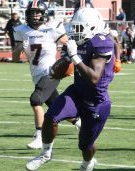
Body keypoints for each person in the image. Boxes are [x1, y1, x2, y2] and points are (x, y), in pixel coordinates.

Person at [26, 7, 115, 171]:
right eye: (74, 27)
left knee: (85, 146)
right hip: (77, 92)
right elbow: (60, 69)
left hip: (97, 101)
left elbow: (94, 78)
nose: (76, 31)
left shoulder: (101, 42)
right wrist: (60, 65)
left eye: (79, 28)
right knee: (51, 116)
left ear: (92, 27)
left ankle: (88, 163)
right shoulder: (75, 42)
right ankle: (46, 153)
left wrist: (74, 57)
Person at [13, 0, 80, 150]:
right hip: (36, 74)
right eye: (32, 13)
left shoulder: (51, 28)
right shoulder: (21, 30)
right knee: (55, 104)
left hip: (52, 71)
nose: (35, 16)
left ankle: (39, 136)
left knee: (36, 100)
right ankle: (78, 121)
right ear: (27, 14)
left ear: (44, 14)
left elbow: (69, 44)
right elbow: (16, 59)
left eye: (38, 13)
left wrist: (71, 60)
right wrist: (18, 50)